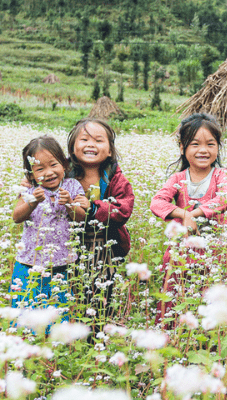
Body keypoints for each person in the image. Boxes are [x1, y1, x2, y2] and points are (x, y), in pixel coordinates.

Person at [150, 113, 227, 326]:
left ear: (218, 147)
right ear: (182, 148)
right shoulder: (178, 178)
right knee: (176, 293)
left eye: (210, 144)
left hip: (216, 248)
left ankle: (212, 337)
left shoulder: (219, 176)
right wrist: (184, 214)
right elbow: (157, 202)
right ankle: (173, 334)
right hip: (182, 249)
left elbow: (225, 198)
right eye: (195, 144)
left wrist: (194, 214)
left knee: (215, 292)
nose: (203, 150)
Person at [67, 118, 135, 330]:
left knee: (101, 292)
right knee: (72, 289)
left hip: (104, 246)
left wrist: (94, 208)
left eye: (98, 140)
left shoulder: (115, 177)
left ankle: (96, 333)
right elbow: (45, 180)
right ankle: (72, 333)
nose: (90, 144)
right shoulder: (64, 173)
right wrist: (31, 183)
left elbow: (124, 209)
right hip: (69, 245)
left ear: (109, 151)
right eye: (84, 139)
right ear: (72, 148)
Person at [10, 136, 85, 316]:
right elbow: (16, 217)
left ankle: (55, 342)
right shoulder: (29, 190)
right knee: (25, 312)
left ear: (64, 165)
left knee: (58, 314)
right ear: (31, 174)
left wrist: (69, 204)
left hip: (62, 265)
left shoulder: (72, 186)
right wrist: (33, 202)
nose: (49, 172)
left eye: (53, 164)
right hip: (29, 263)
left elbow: (80, 218)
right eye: (40, 169)